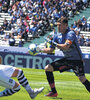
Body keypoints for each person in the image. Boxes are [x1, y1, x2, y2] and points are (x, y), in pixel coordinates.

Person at [39, 16, 90, 97]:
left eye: (60, 25)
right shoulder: (57, 36)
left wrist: (54, 44)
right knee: (48, 68)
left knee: (82, 79)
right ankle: (54, 92)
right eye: (57, 25)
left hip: (76, 60)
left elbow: (66, 46)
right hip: (68, 60)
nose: (58, 27)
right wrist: (39, 50)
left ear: (66, 25)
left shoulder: (71, 33)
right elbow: (50, 50)